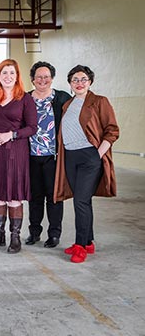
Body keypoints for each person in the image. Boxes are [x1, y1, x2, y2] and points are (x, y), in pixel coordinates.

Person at [54, 65, 119, 263]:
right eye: (75, 80)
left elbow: (112, 130)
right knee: (83, 200)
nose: (79, 83)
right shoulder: (68, 104)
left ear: (90, 81)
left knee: (80, 201)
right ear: (70, 83)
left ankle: (80, 246)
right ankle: (88, 242)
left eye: (83, 79)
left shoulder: (99, 102)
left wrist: (97, 154)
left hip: (89, 157)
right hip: (70, 157)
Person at [0, 59, 37, 254]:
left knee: (14, 196)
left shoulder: (25, 99)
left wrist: (11, 135)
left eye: (12, 73)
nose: (8, 76)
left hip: (16, 152)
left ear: (17, 76)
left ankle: (15, 237)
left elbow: (32, 128)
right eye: (4, 73)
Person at [25, 61, 71, 248]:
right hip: (31, 155)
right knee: (34, 197)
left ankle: (54, 234)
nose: (42, 80)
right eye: (38, 77)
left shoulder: (62, 98)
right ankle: (34, 232)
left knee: (54, 196)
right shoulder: (25, 99)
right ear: (33, 79)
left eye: (46, 76)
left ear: (51, 78)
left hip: (53, 156)